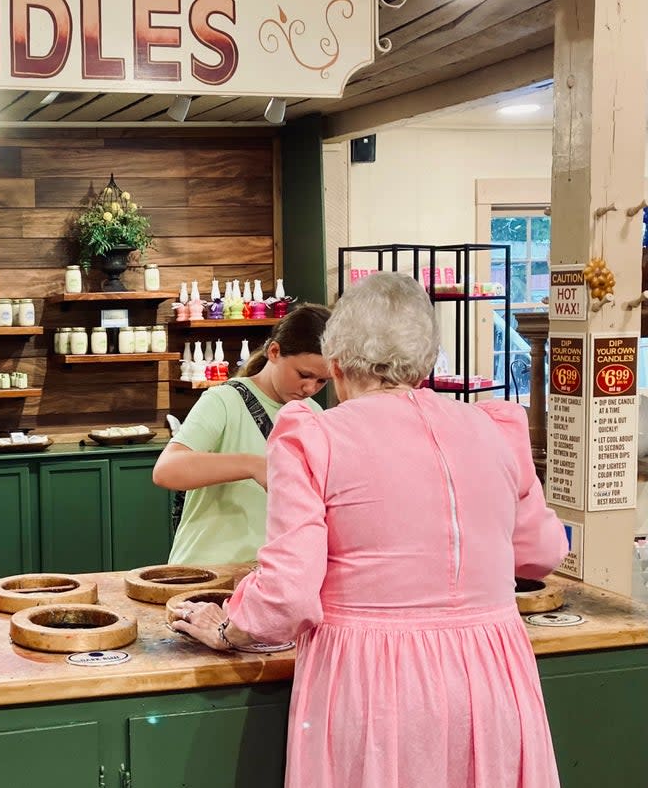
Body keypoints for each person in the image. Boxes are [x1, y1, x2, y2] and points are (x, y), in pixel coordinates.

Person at [172, 272, 567, 788]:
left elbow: (285, 597)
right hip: (494, 675)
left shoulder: (314, 437)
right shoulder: (494, 429)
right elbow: (540, 552)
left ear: (335, 366)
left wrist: (227, 627)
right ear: (426, 362)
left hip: (371, 682)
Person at [153, 303, 331, 565]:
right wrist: (253, 465)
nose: (310, 387)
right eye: (304, 374)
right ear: (274, 351)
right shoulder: (223, 401)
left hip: (271, 575)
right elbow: (166, 470)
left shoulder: (313, 412)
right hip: (207, 573)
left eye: (322, 380)